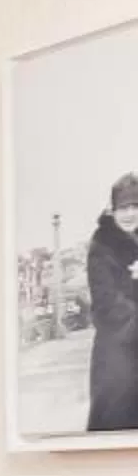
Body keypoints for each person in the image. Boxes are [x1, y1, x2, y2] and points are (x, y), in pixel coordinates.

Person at [92, 172, 138, 433]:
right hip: (116, 355)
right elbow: (107, 304)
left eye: (135, 206)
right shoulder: (101, 245)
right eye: (123, 208)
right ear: (113, 209)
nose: (130, 214)